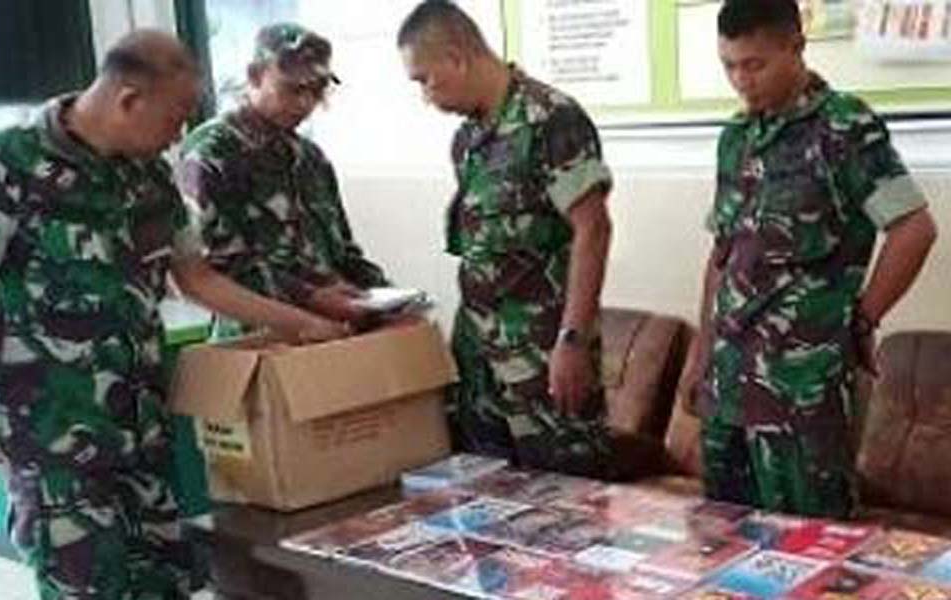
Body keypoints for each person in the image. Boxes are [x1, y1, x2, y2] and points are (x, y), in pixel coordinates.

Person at [0, 30, 344, 599]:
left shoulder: (149, 176)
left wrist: (298, 323)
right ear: (130, 99)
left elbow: (197, 277)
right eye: (176, 115)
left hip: (143, 429)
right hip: (56, 444)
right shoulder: (10, 165)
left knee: (168, 583)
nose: (181, 132)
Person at [678, 0, 938, 518]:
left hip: (801, 392)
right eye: (729, 65)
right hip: (729, 385)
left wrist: (862, 318)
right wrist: (700, 354)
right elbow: (722, 254)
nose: (740, 80)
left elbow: (915, 229)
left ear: (796, 46)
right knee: (723, 537)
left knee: (809, 544)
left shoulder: (844, 127)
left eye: (755, 64)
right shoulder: (735, 139)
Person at [397, 1, 620, 479]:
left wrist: (573, 341)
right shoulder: (469, 140)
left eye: (424, 79)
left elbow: (593, 228)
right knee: (487, 504)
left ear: (456, 57)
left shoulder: (550, 119)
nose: (424, 96)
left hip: (542, 359)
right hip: (481, 362)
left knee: (569, 505)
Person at [178, 23, 389, 333]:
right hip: (256, 335)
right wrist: (311, 296)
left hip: (330, 332)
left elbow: (342, 252)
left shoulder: (310, 159)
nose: (305, 103)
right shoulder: (213, 153)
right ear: (254, 76)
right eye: (292, 89)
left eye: (316, 90)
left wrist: (384, 297)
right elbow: (215, 266)